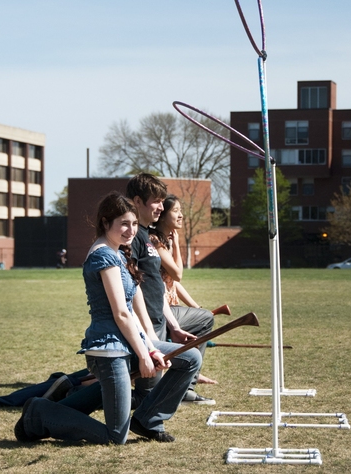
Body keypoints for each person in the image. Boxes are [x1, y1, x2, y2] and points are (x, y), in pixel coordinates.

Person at [14, 192, 201, 444]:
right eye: (124, 223)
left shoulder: (119, 253)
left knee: (190, 356)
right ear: (105, 223)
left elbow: (132, 311)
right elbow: (121, 313)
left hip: (127, 342)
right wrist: (145, 355)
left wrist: (150, 347)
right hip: (109, 348)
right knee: (115, 436)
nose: (131, 230)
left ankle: (147, 420)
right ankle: (39, 413)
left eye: (134, 224)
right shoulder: (104, 255)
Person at [126, 174, 215, 405]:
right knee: (145, 394)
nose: (160, 207)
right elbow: (133, 289)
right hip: (147, 324)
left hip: (159, 318)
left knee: (148, 391)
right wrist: (148, 331)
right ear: (137, 201)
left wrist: (174, 326)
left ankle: (185, 388)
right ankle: (68, 390)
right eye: (156, 201)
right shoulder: (135, 238)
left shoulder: (146, 236)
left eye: (161, 201)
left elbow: (159, 287)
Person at [150, 194, 217, 386]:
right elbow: (178, 274)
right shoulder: (155, 241)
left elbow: (174, 283)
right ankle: (189, 380)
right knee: (204, 320)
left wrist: (196, 306)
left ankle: (192, 373)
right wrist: (178, 246)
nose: (181, 216)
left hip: (171, 306)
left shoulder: (165, 241)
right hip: (162, 309)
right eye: (176, 211)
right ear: (162, 216)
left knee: (202, 317)